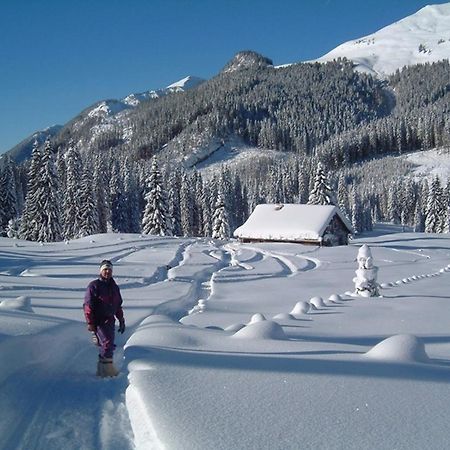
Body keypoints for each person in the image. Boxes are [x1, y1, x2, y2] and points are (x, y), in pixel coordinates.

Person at [83, 259, 125, 377]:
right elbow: (88, 306)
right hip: (99, 320)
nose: (107, 272)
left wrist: (121, 320)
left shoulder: (114, 287)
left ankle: (104, 369)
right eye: (105, 269)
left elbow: (118, 305)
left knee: (109, 344)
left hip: (110, 320)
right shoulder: (94, 286)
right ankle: (106, 371)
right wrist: (90, 323)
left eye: (109, 270)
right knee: (106, 344)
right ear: (101, 271)